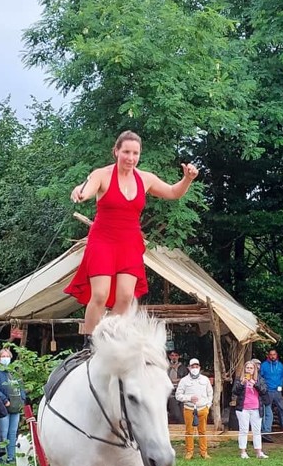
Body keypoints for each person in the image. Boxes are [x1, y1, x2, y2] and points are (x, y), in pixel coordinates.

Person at [66, 131, 199, 337]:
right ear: (116, 151)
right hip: (103, 240)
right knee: (100, 294)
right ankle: (89, 342)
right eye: (126, 152)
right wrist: (79, 192)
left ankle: (106, 336)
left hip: (129, 242)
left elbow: (173, 192)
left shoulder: (146, 178)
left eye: (135, 153)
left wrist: (187, 179)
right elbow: (86, 189)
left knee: (126, 297)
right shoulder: (101, 174)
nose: (131, 157)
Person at [0, 348, 25, 464]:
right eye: (3, 356)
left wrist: (22, 400)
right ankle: (0, 458)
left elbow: (21, 388)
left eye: (7, 356)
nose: (5, 358)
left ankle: (11, 457)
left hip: (15, 407)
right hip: (2, 406)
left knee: (13, 432)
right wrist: (4, 400)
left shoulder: (13, 373)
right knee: (3, 432)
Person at [174, 357, 214, 460]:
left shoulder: (205, 379)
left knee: (203, 431)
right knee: (189, 432)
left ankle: (204, 452)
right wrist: (189, 398)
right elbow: (178, 395)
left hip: (202, 408)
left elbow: (210, 393)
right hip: (189, 408)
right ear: (189, 368)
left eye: (196, 366)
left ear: (199, 367)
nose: (195, 368)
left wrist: (207, 406)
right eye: (192, 366)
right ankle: (189, 452)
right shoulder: (184, 381)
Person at [231, 360, 268, 459]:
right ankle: (243, 452)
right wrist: (242, 383)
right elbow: (235, 391)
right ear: (244, 369)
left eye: (251, 368)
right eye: (247, 368)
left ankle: (259, 452)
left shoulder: (259, 379)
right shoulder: (240, 379)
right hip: (243, 409)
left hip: (256, 408)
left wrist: (255, 384)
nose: (249, 370)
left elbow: (264, 391)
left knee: (257, 431)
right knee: (243, 430)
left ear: (254, 369)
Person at [259, 349, 283, 434]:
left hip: (277, 391)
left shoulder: (280, 366)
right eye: (271, 354)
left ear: (277, 355)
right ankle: (266, 430)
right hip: (267, 391)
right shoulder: (264, 365)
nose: (272, 356)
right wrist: (264, 387)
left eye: (274, 354)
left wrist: (280, 384)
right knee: (267, 411)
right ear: (268, 355)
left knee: (282, 409)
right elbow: (260, 377)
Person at [166, 351, 184, 424]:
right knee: (176, 413)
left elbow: (186, 379)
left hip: (181, 392)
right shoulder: (166, 367)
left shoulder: (183, 367)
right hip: (170, 392)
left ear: (178, 357)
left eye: (176, 355)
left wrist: (178, 380)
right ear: (169, 357)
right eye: (172, 355)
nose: (174, 357)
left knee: (183, 413)